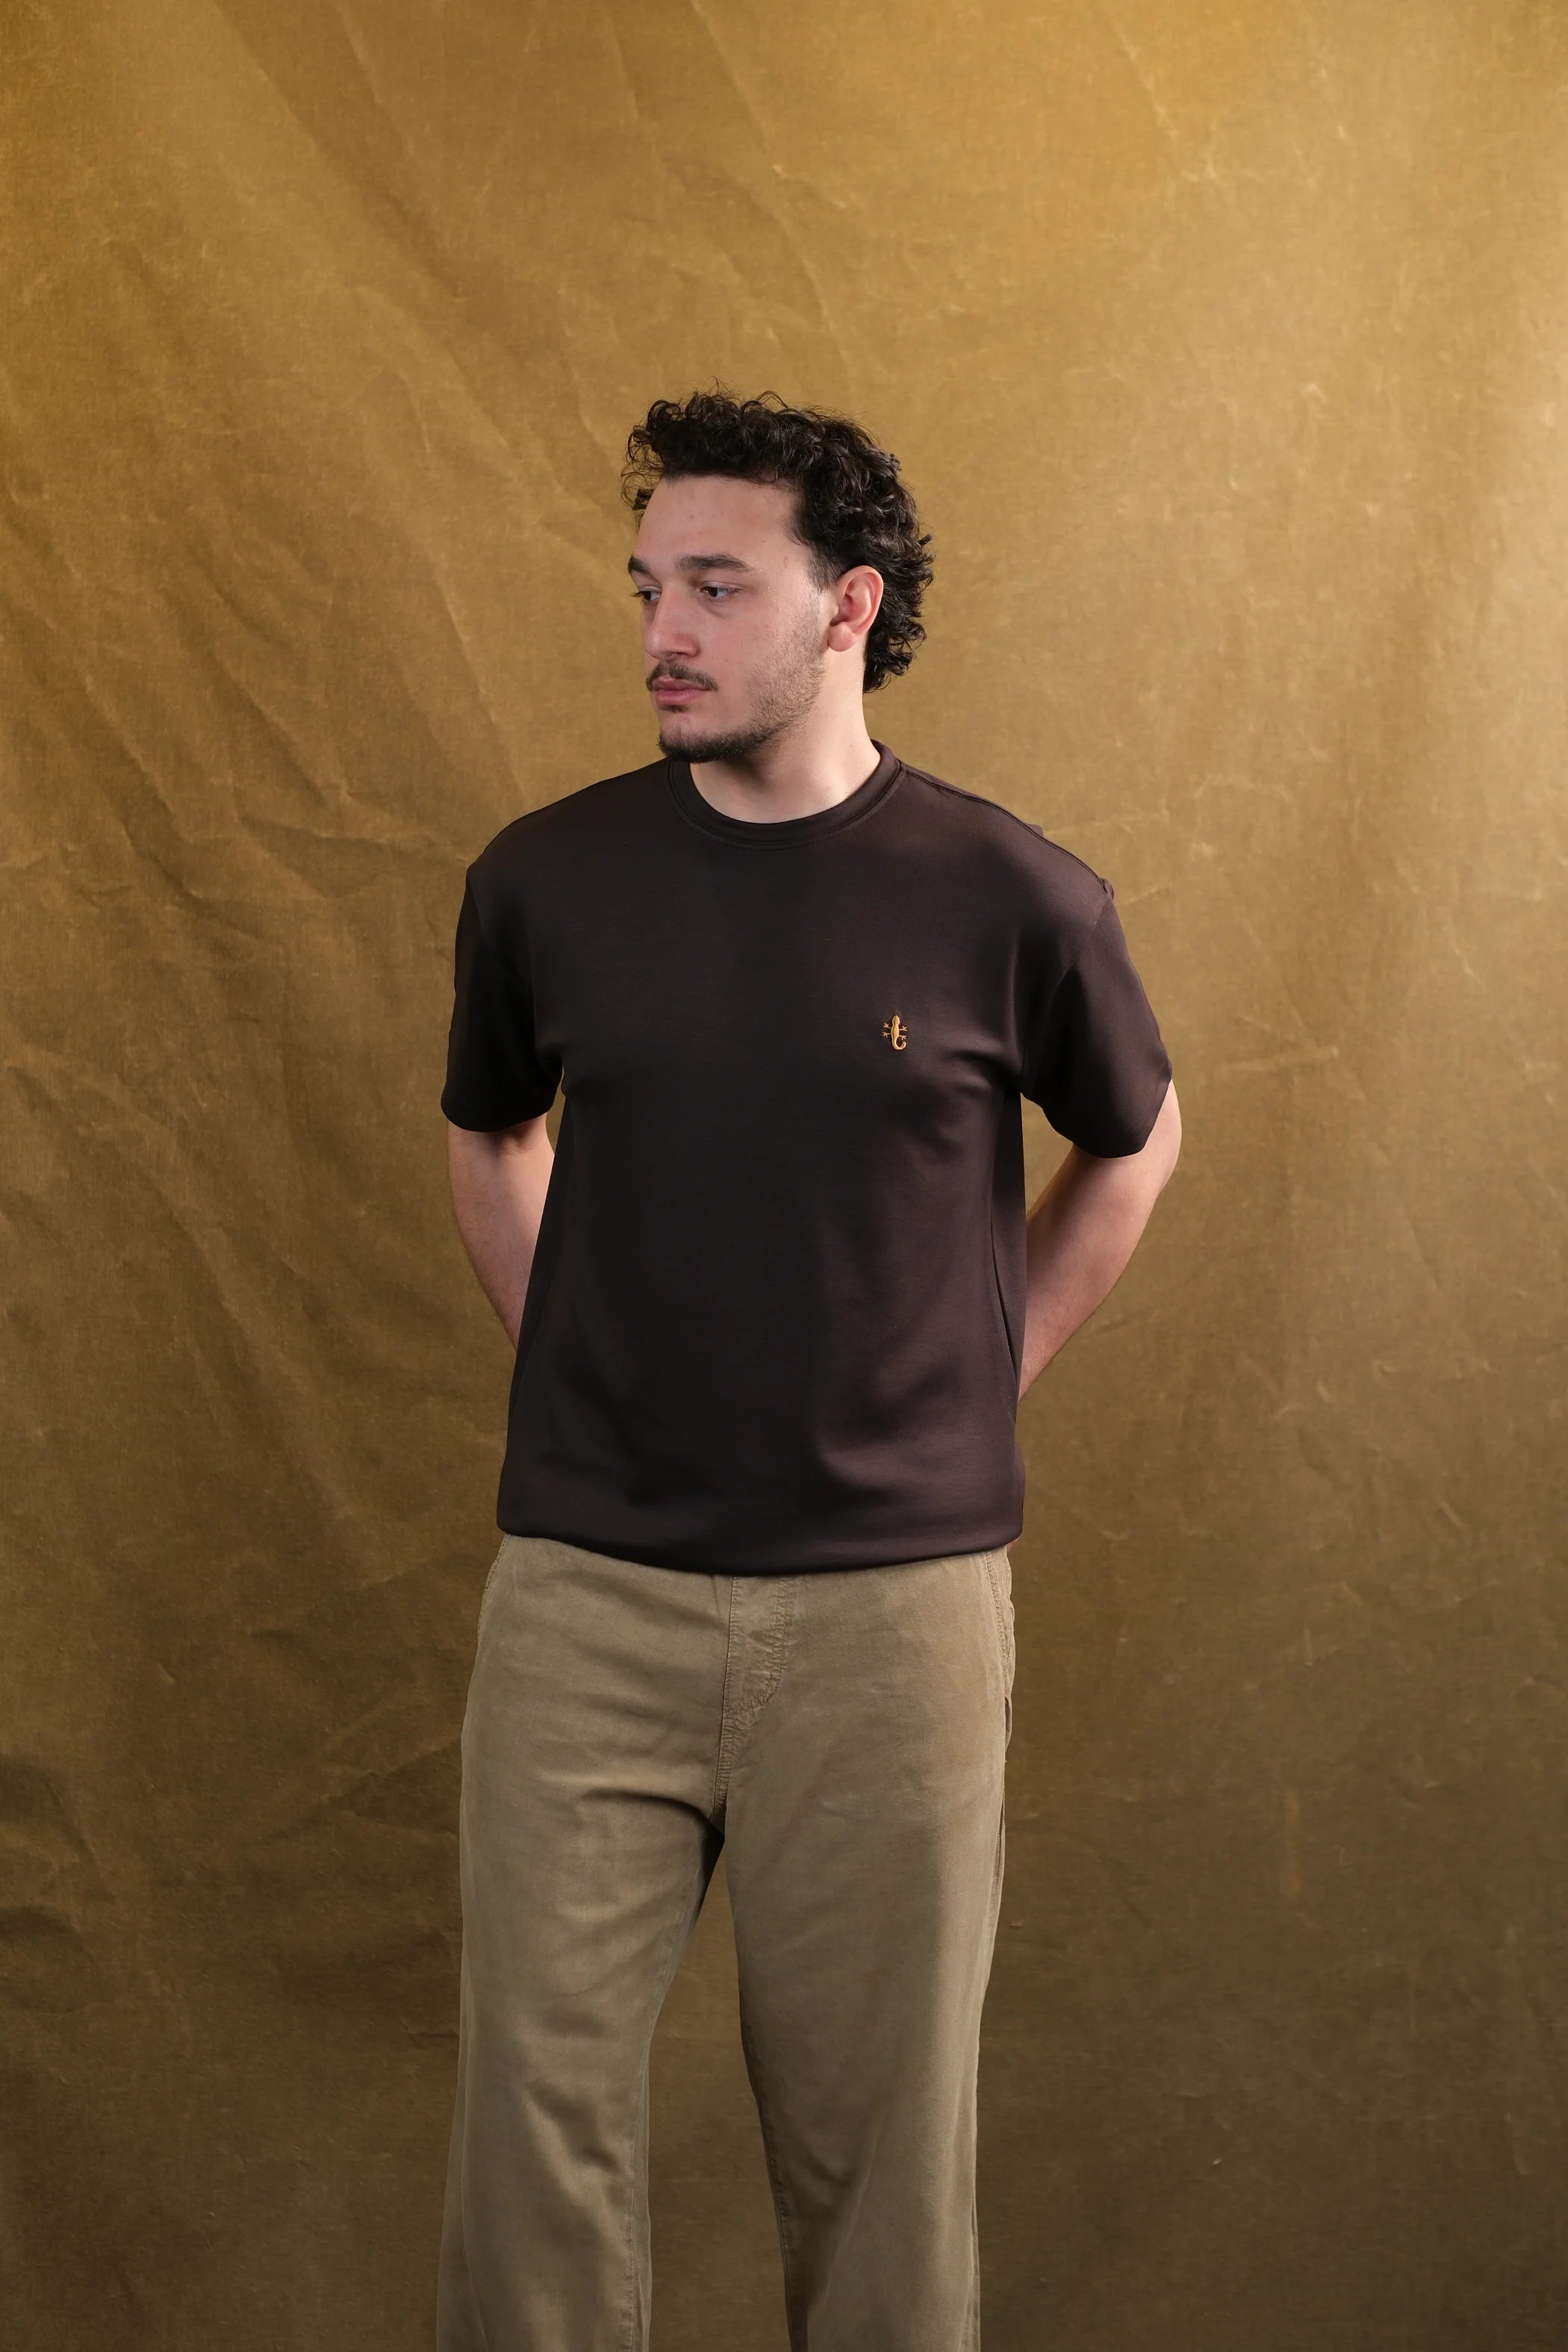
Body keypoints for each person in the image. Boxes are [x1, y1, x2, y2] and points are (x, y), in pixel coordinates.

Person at [435, 390, 1180, 2351]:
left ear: (847, 607)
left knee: (879, 2162)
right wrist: (580, 1358)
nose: (661, 633)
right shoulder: (545, 880)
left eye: (714, 586)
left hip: (888, 1618)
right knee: (531, 2138)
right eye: (644, 588)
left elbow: (1135, 1140)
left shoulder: (1011, 896)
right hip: (586, 1601)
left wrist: (982, 1373)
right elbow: (490, 1136)